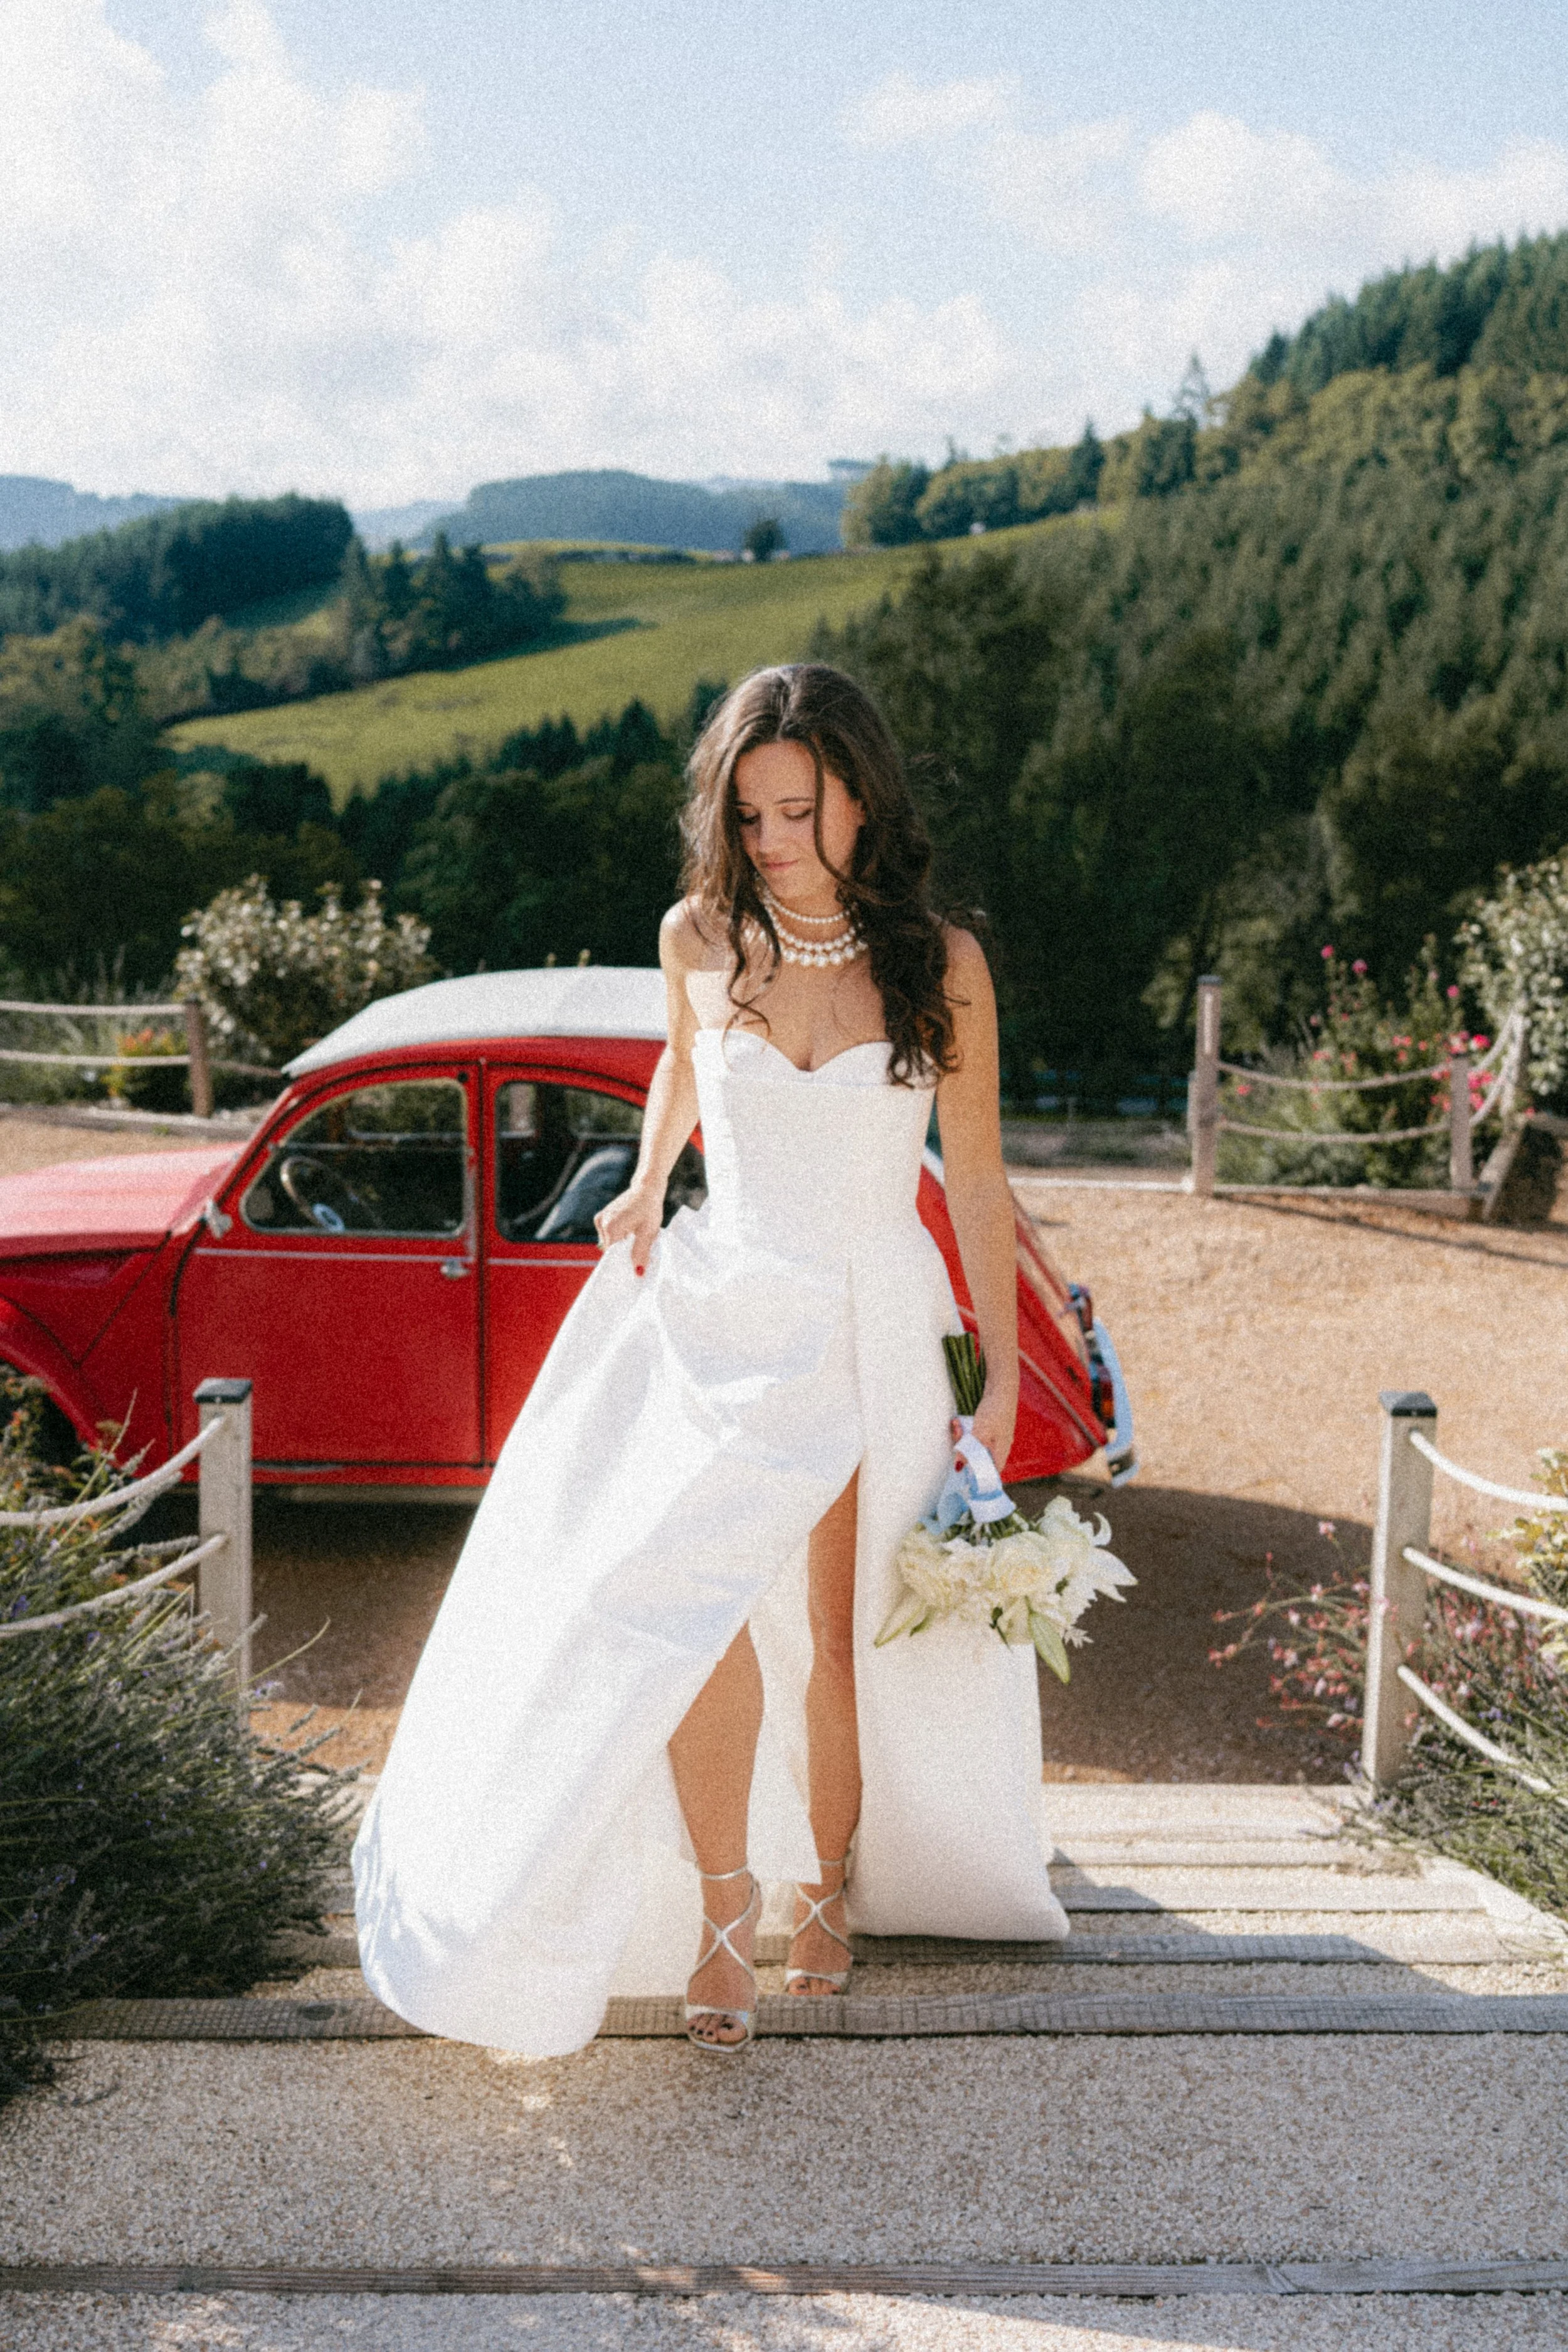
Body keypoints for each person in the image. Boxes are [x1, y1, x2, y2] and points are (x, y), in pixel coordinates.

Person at [352, 662, 1067, 2060]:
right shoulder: (696, 935)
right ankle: (720, 1913)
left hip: (869, 1314)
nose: (773, 842)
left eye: (799, 810)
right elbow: (683, 1067)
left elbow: (973, 1182)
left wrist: (998, 1357)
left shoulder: (941, 963)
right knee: (691, 1616)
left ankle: (831, 1890)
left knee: (845, 1632)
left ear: (862, 797)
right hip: (721, 1308)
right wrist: (644, 1180)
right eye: (748, 817)